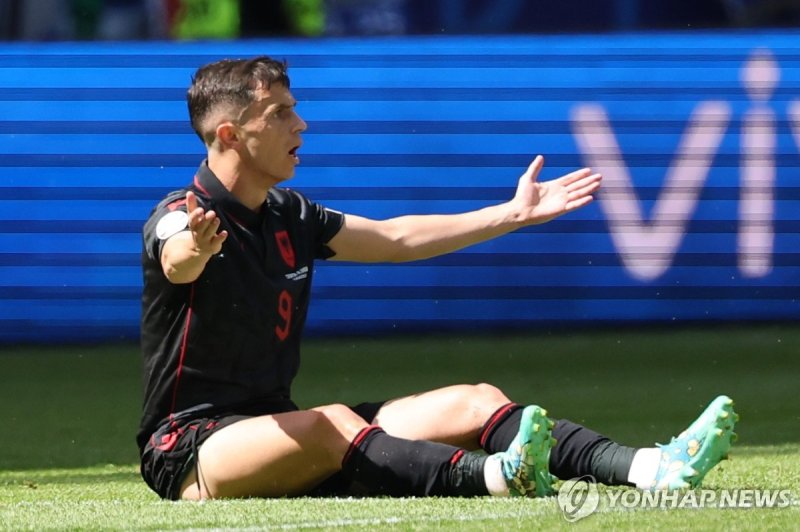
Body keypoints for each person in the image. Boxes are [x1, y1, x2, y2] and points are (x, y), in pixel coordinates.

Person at [137, 56, 738, 501]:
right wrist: (194, 245)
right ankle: (498, 478)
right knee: (334, 425)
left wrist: (512, 213)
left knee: (474, 402)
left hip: (284, 431)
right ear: (229, 135)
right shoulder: (182, 216)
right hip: (191, 449)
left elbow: (397, 239)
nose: (302, 124)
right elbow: (175, 257)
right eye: (281, 112)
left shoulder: (290, 213)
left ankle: (648, 468)